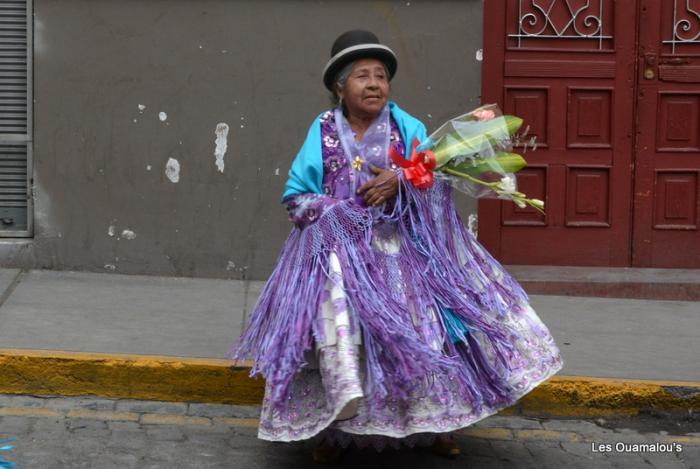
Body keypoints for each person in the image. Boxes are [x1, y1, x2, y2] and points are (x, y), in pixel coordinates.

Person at [229, 30, 563, 463]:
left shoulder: (409, 128)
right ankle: (335, 427)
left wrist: (402, 180)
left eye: (381, 76)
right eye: (362, 76)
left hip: (404, 253)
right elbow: (296, 197)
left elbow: (434, 181)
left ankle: (437, 424)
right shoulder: (323, 131)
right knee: (345, 339)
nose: (373, 84)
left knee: (431, 334)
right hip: (340, 253)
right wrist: (337, 212)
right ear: (339, 87)